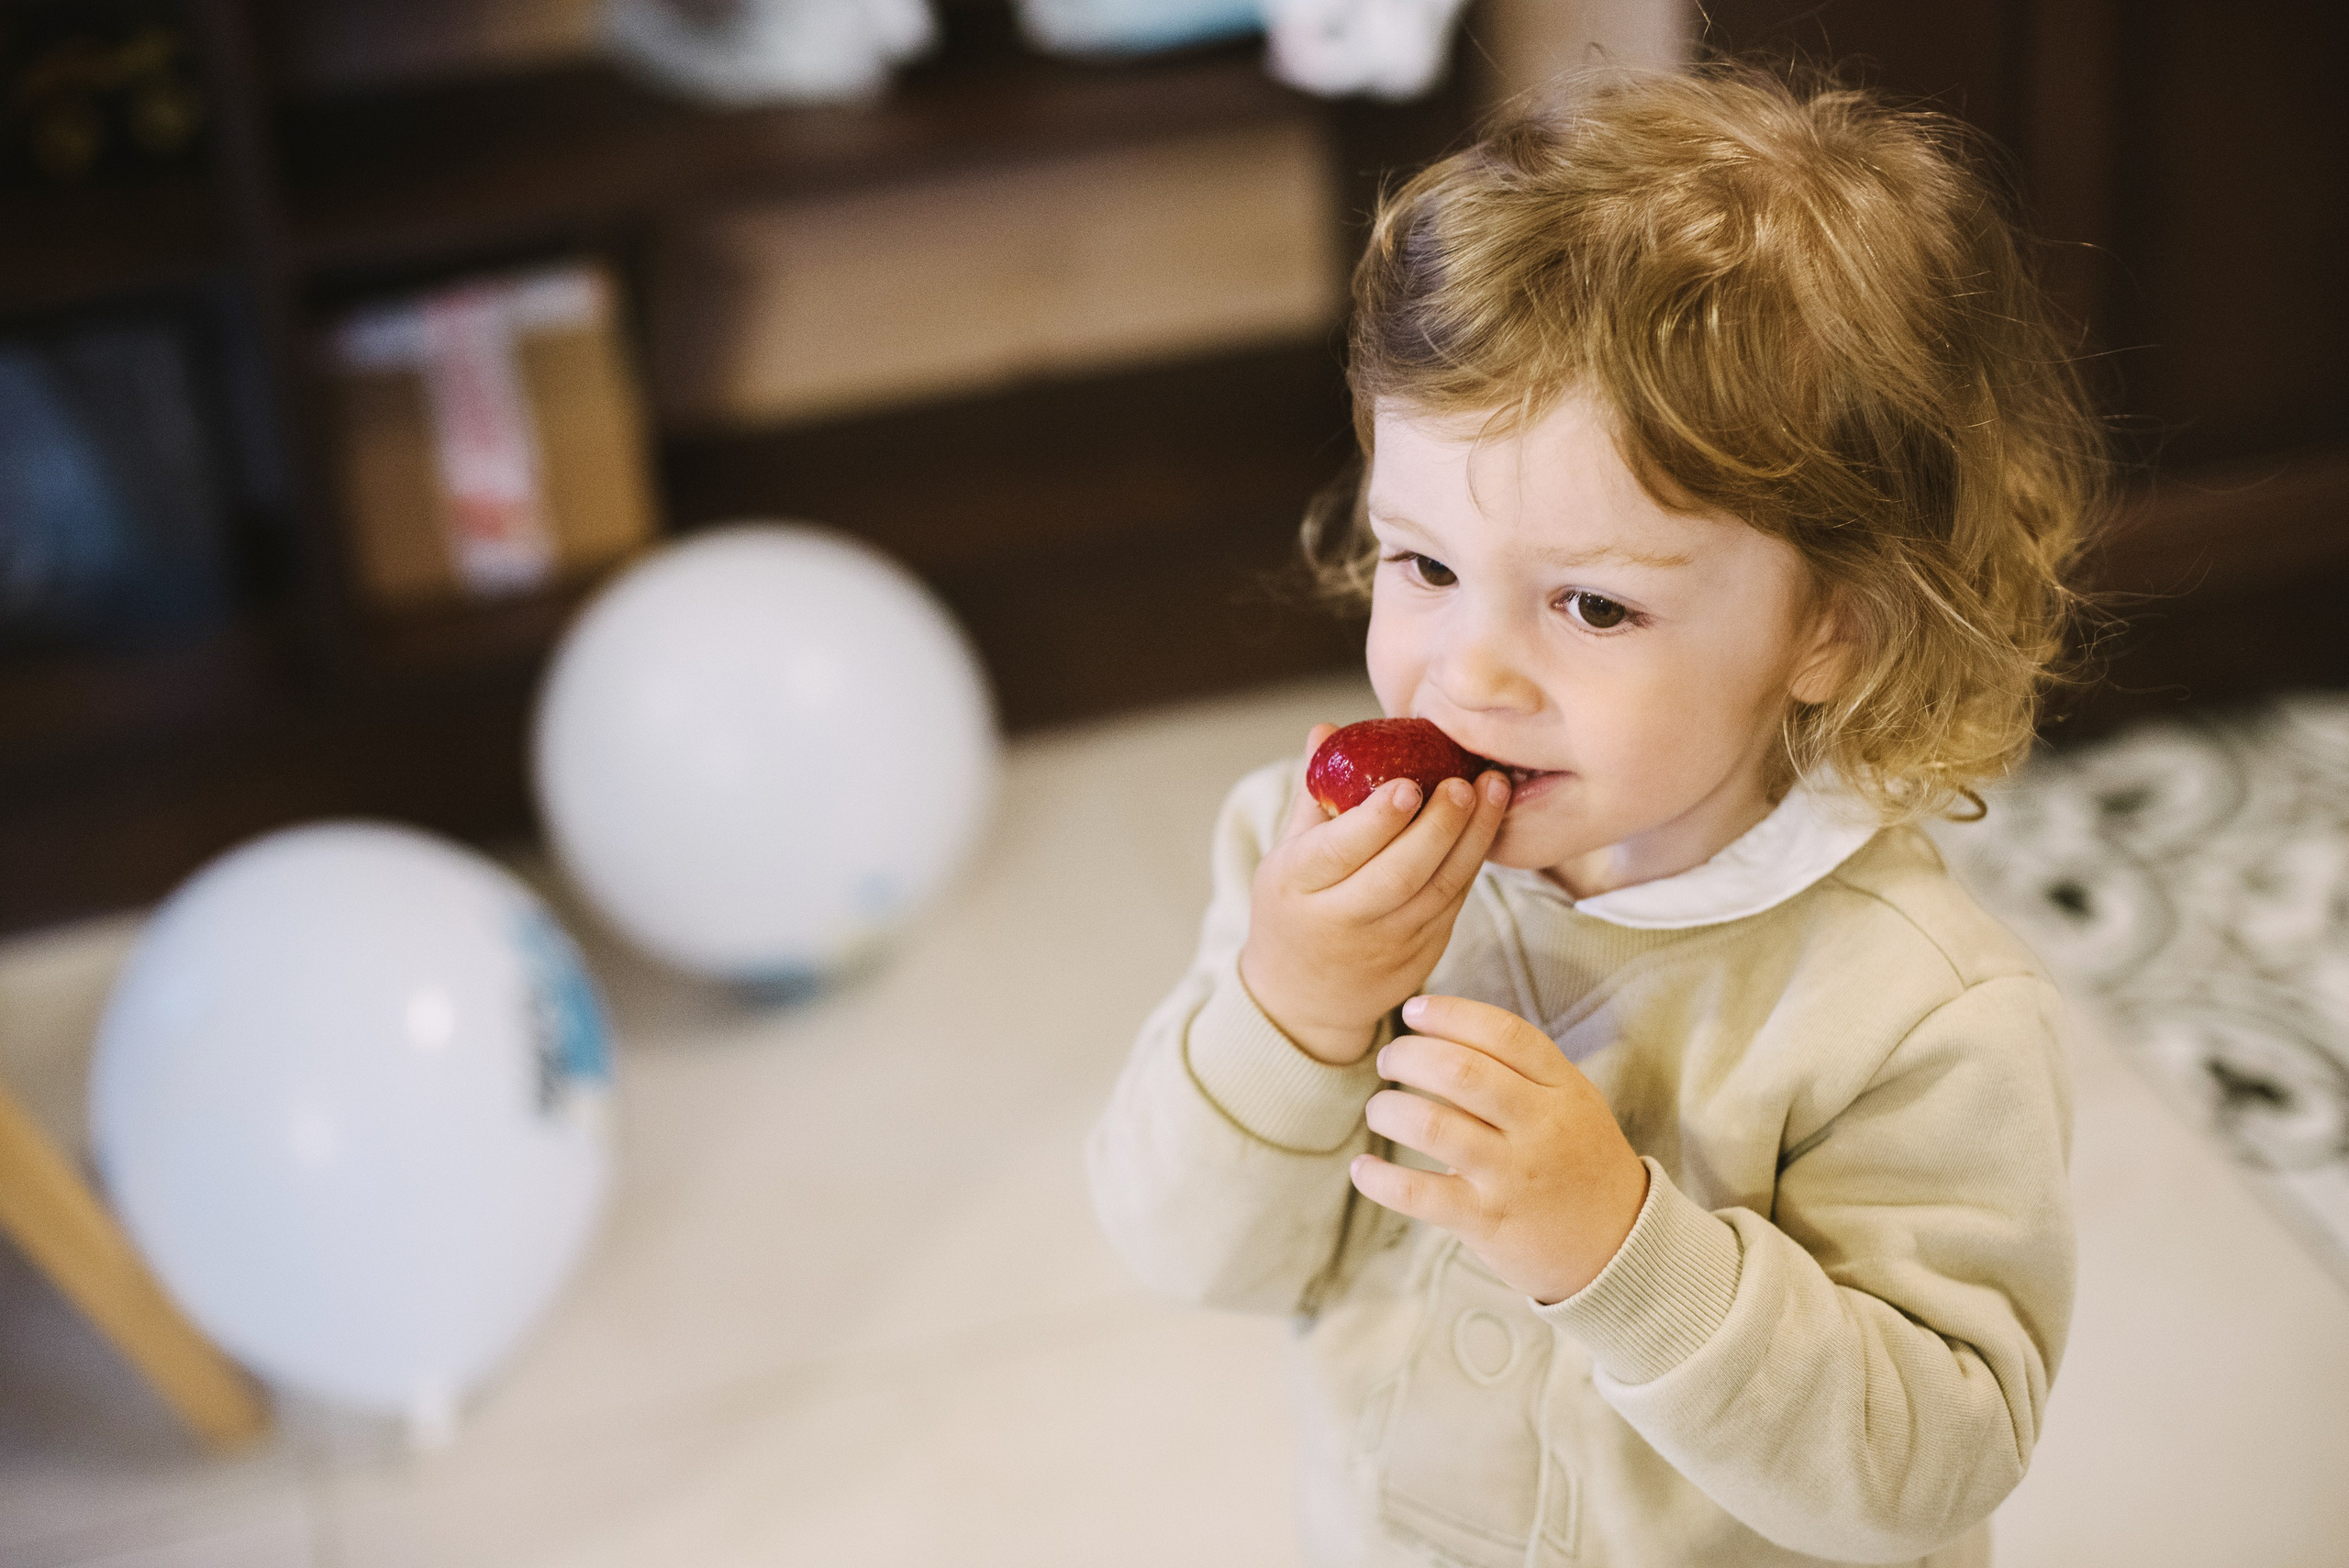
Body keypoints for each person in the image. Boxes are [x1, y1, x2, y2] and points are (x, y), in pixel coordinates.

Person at [1086, 59, 2102, 1568]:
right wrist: (1289, 1011)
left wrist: (1625, 1250)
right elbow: (1186, 1248)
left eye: (1593, 602)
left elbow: (1929, 1469)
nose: (1470, 668)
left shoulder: (1915, 1014)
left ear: (1836, 627)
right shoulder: (1300, 866)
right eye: (1423, 566)